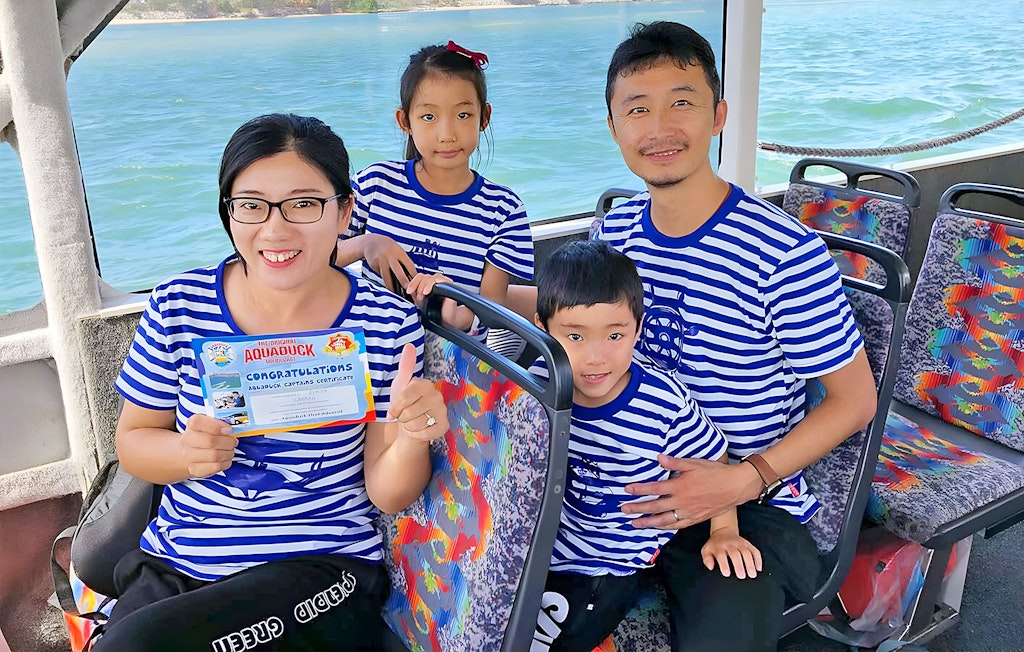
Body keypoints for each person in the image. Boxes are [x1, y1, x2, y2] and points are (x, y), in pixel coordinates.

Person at [96, 113, 448, 652]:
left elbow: (387, 491)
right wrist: (185, 454)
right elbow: (134, 442)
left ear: (344, 212)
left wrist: (412, 434)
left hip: (322, 572)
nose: (275, 229)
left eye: (304, 204)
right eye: (251, 205)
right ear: (229, 214)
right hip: (177, 562)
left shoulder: (385, 324)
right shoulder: (178, 308)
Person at [594, 22, 878, 651]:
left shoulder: (781, 252)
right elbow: (574, 316)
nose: (660, 127)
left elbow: (855, 401)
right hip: (617, 476)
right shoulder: (615, 234)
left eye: (682, 102)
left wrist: (744, 479)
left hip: (744, 499)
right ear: (614, 127)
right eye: (637, 109)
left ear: (718, 115)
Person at [530, 240, 762, 651]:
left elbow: (712, 459)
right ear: (542, 329)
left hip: (605, 563)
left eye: (615, 334)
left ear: (638, 328)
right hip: (540, 544)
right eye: (575, 336)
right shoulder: (537, 381)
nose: (596, 357)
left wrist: (724, 530)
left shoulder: (663, 403)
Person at [336, 40, 534, 332]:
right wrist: (367, 243)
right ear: (405, 121)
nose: (447, 134)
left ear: (485, 117)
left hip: (454, 368)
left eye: (463, 115)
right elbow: (316, 258)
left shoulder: (503, 210)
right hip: (377, 357)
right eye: (429, 117)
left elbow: (493, 313)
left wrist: (455, 309)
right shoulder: (376, 184)